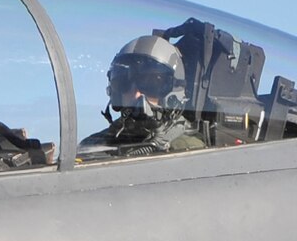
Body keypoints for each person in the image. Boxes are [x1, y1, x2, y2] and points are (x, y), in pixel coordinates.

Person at [78, 35, 206, 159]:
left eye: (151, 83)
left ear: (174, 93)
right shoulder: (93, 146)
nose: (136, 94)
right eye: (124, 82)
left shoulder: (189, 152)